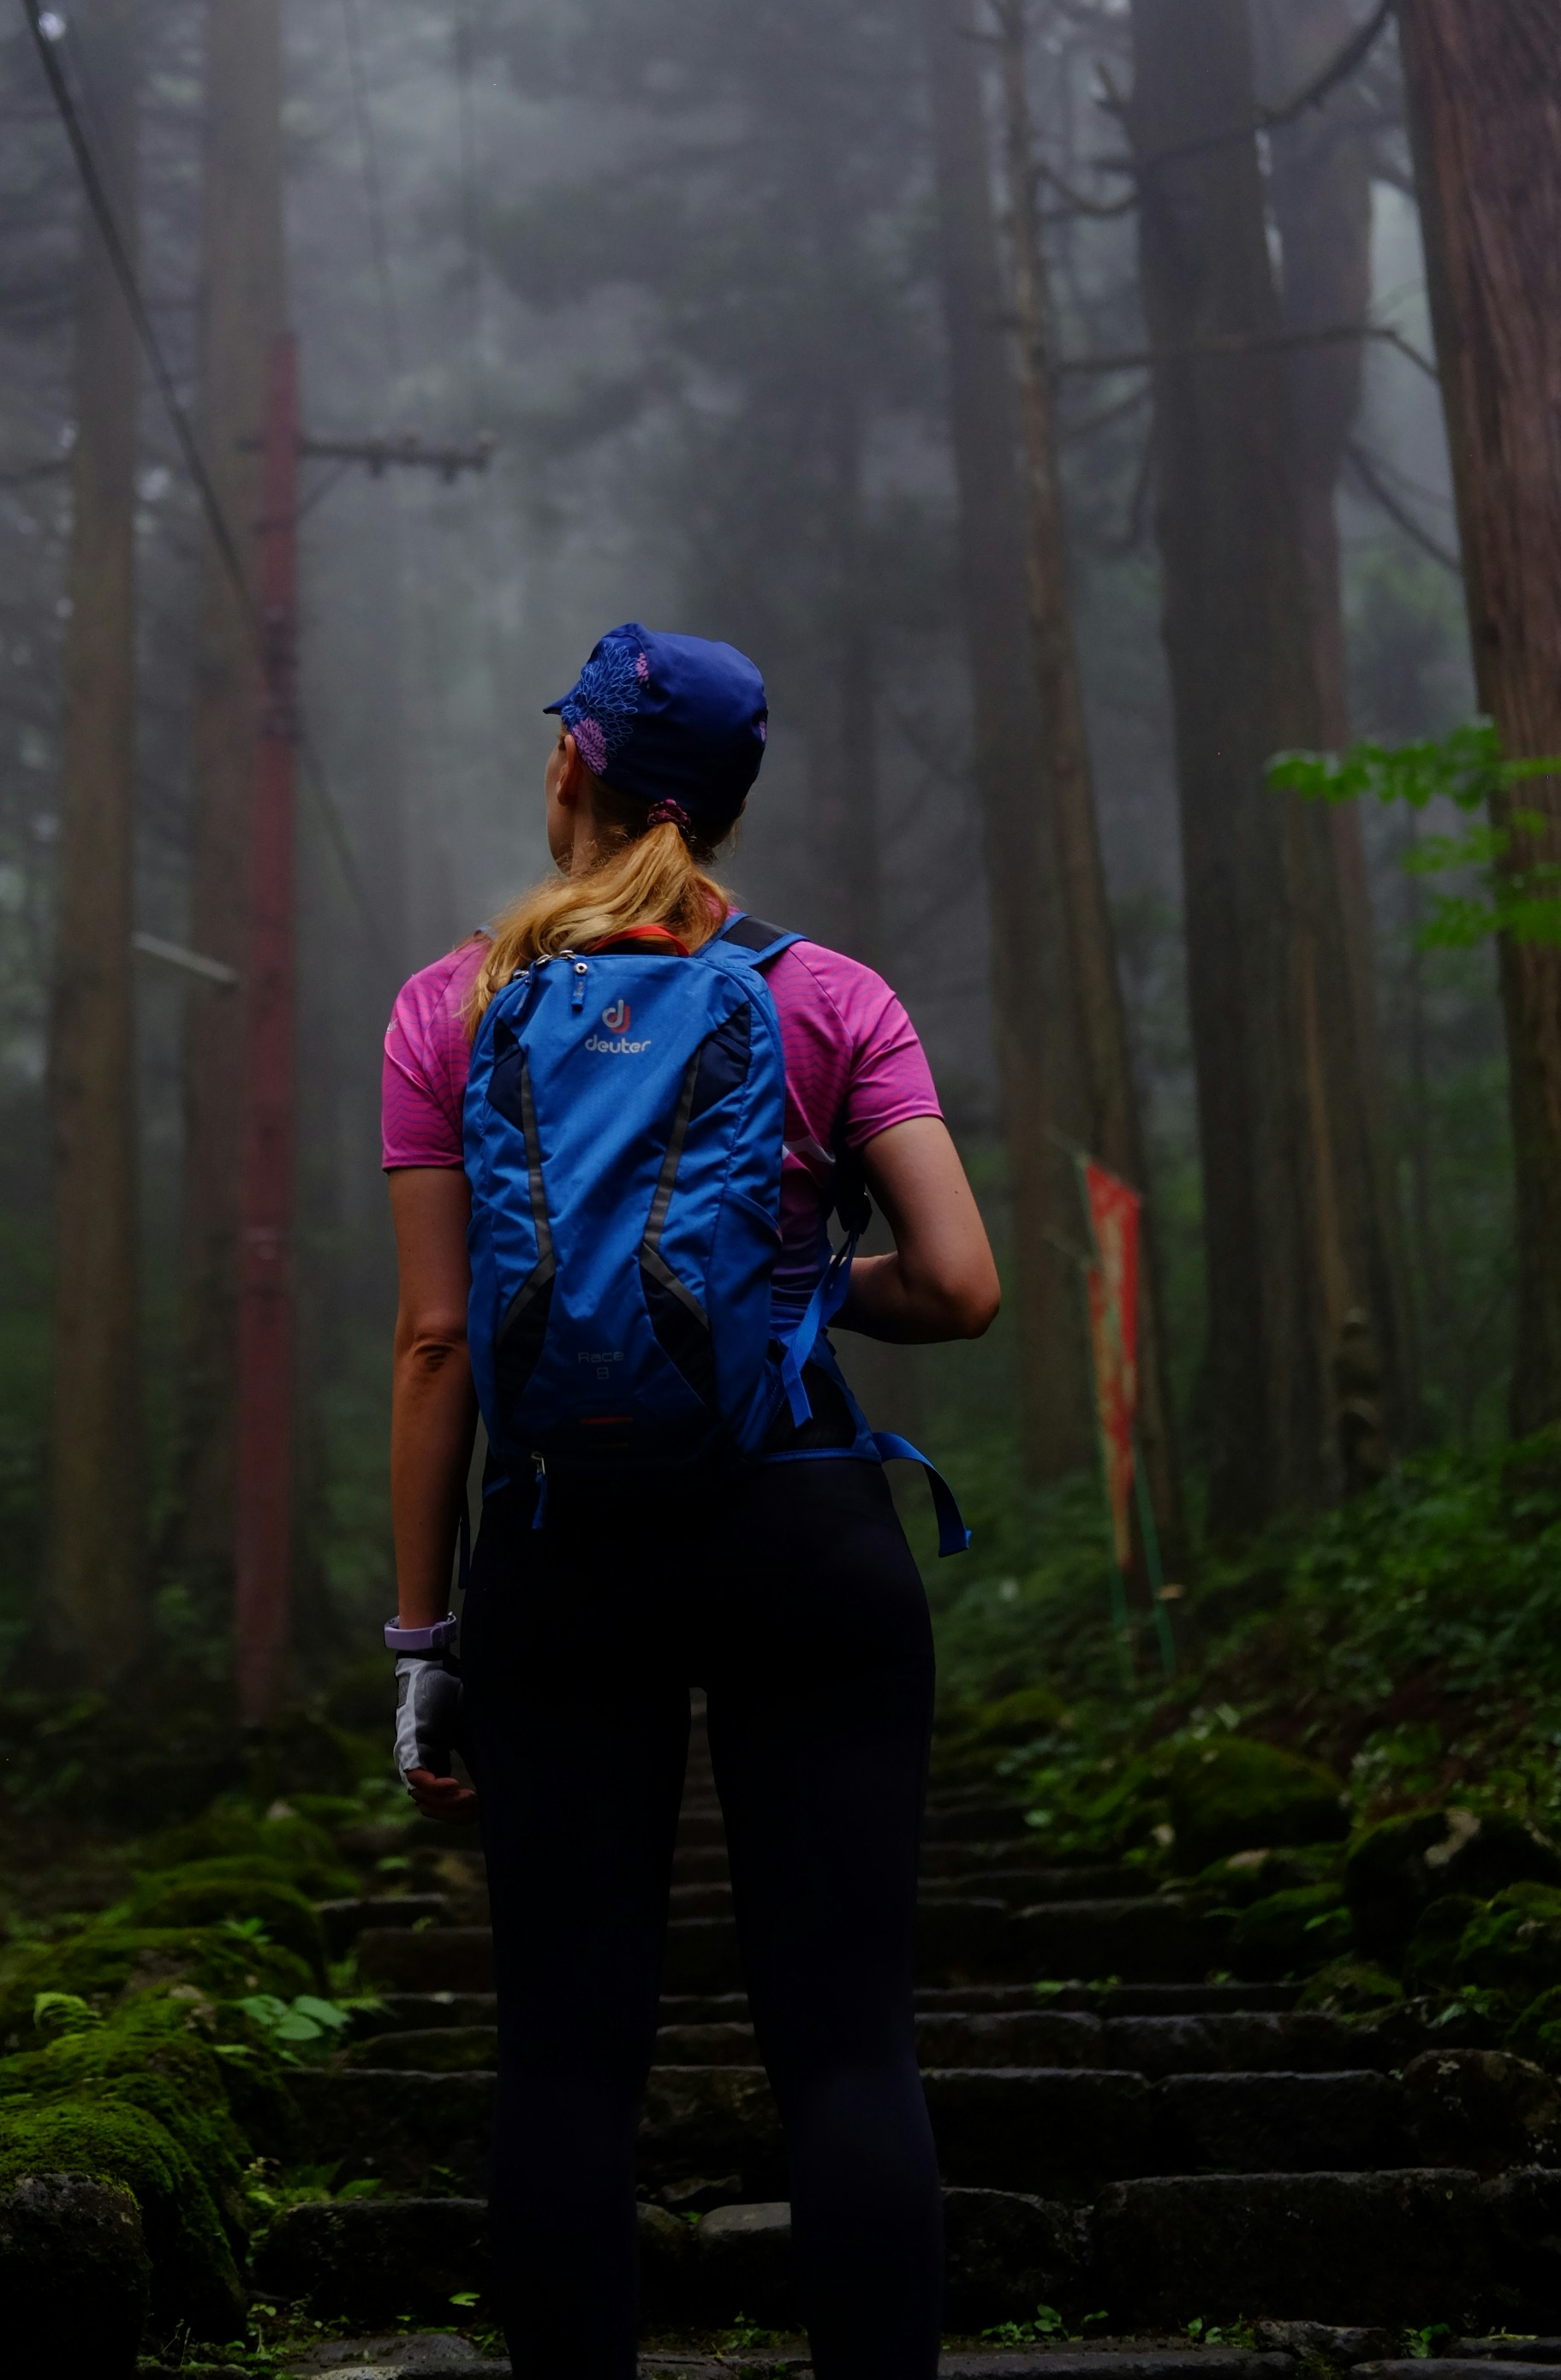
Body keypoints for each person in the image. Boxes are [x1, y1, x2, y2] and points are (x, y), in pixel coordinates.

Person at [381, 622, 1000, 2380]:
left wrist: (426, 1640)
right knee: (851, 2047)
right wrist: (804, 1287)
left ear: (570, 766)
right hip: (804, 1529)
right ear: (723, 808)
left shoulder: (454, 1004)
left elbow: (439, 1344)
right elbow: (960, 1287)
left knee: (569, 2056)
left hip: (564, 1560)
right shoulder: (831, 996)